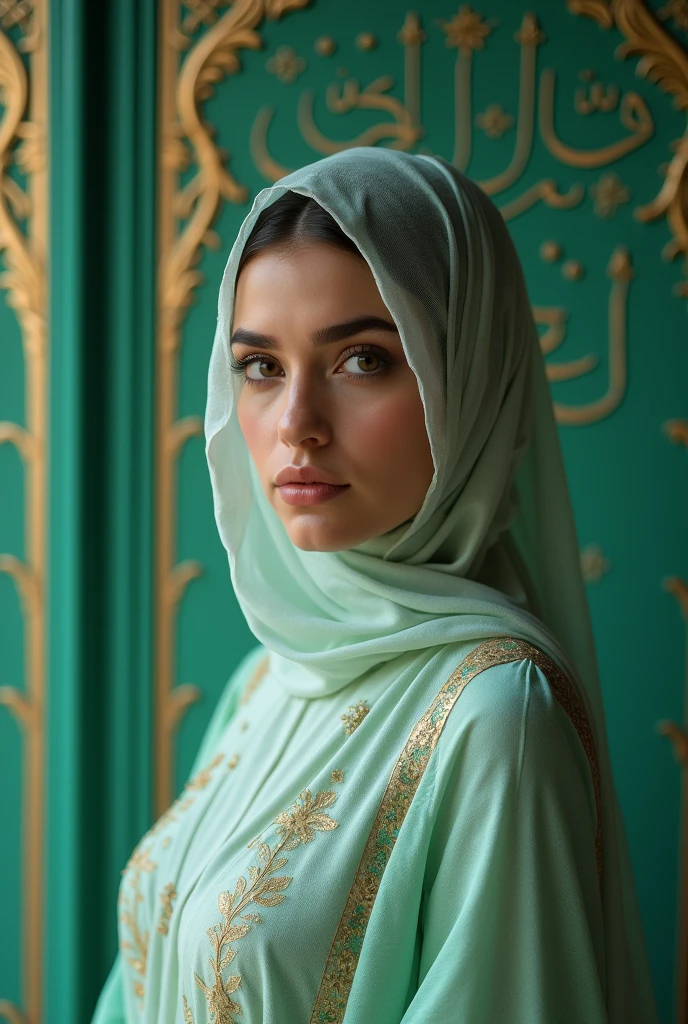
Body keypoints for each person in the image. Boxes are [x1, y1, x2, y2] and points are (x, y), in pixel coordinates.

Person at [92, 147, 657, 1023]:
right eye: (260, 366)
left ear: (465, 375)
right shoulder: (270, 676)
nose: (296, 425)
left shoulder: (498, 716)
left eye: (362, 360)